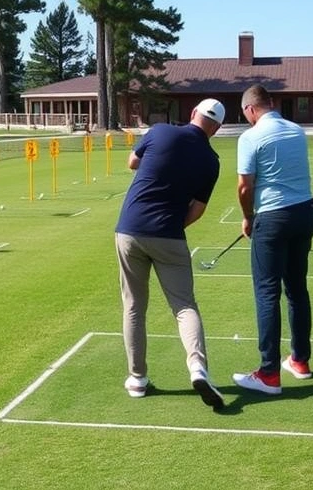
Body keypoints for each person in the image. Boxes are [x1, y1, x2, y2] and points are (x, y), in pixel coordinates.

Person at [114, 98, 228, 409]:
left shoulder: (160, 131)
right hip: (169, 235)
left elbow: (132, 162)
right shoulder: (211, 160)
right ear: (216, 129)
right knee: (184, 306)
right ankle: (197, 367)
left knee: (134, 305)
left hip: (129, 229)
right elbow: (198, 209)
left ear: (193, 114)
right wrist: (174, 225)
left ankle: (137, 378)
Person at [232, 84, 313, 395]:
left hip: (273, 218)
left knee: (267, 292)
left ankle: (268, 373)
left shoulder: (251, 137)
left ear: (251, 109)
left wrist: (248, 217)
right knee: (296, 289)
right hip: (304, 214)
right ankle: (300, 360)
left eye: (246, 115)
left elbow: (245, 188)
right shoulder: (296, 130)